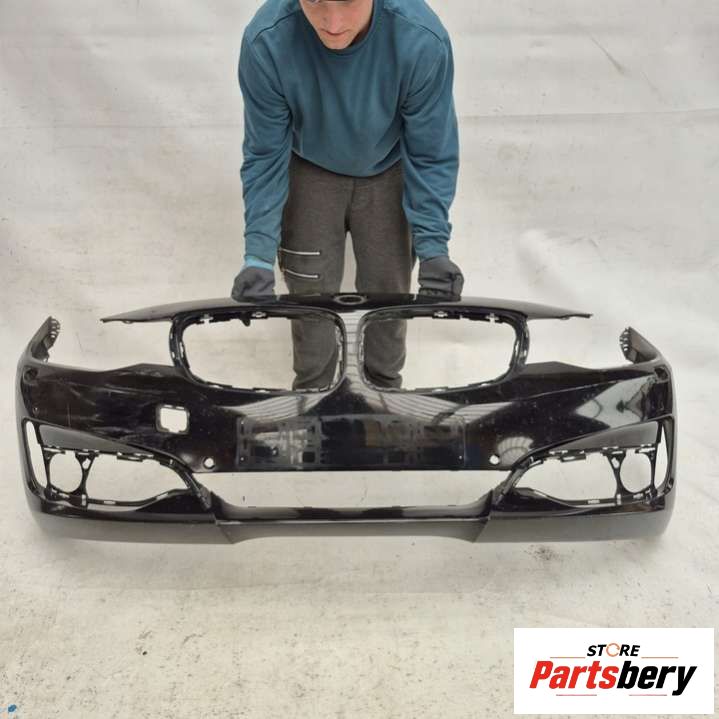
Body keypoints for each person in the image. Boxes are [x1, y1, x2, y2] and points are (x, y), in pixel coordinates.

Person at [231, 0, 464, 390]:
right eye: (316, 1)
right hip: (308, 168)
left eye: (349, 2)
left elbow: (430, 151)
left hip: (389, 169)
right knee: (310, 304)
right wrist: (257, 255)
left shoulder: (421, 40)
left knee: (389, 300)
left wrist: (433, 249)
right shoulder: (266, 41)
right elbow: (265, 155)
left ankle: (384, 398)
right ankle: (311, 399)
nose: (333, 23)